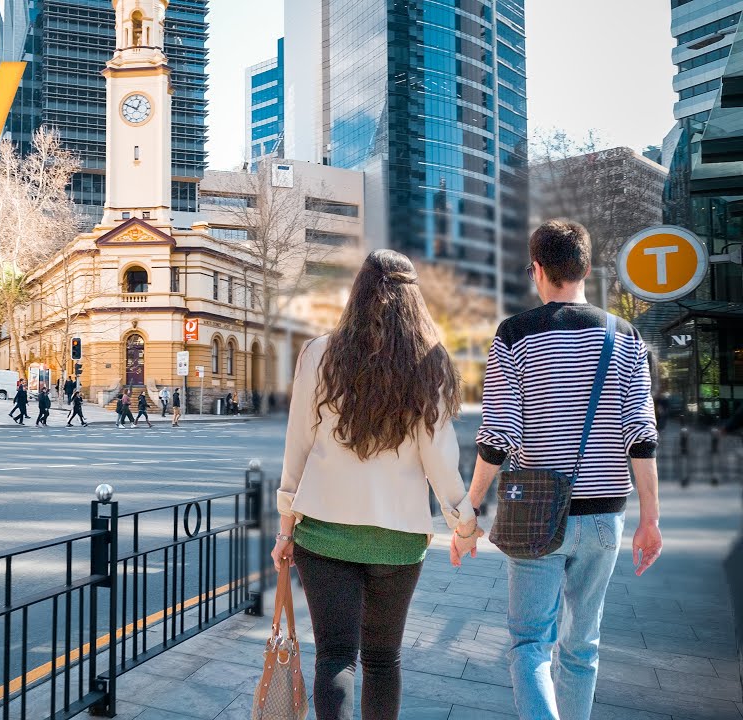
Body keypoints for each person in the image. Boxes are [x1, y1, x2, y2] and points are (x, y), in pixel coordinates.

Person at [459, 220, 662, 720]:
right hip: (604, 520)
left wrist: (470, 509)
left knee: (530, 644)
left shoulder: (515, 334)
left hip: (534, 517)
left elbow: (497, 436)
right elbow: (641, 435)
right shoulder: (626, 337)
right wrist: (651, 519)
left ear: (537, 271)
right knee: (583, 645)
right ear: (587, 269)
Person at [272, 249, 478, 720]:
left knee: (335, 657)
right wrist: (462, 524)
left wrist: (286, 531)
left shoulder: (319, 354)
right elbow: (440, 460)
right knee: (384, 660)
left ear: (357, 292)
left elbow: (297, 449)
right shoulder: (430, 362)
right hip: (399, 539)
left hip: (322, 534)